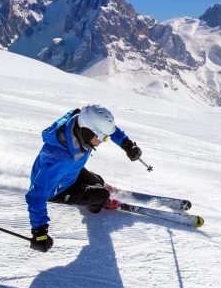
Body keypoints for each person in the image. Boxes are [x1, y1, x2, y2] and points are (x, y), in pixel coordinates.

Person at [25, 104, 142, 252]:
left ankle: (97, 190)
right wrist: (39, 232)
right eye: (102, 138)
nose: (103, 141)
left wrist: (127, 145)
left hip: (70, 172)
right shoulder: (59, 159)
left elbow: (107, 128)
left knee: (99, 181)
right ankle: (97, 204)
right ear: (87, 133)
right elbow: (35, 196)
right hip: (57, 189)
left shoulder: (79, 121)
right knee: (101, 195)